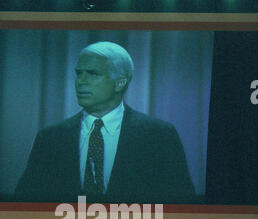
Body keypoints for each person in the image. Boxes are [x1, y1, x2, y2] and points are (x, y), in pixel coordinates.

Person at [15, 41, 195, 204]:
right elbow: (23, 204)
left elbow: (183, 207)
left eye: (93, 74)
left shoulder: (159, 136)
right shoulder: (50, 138)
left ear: (120, 83)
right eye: (79, 73)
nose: (81, 81)